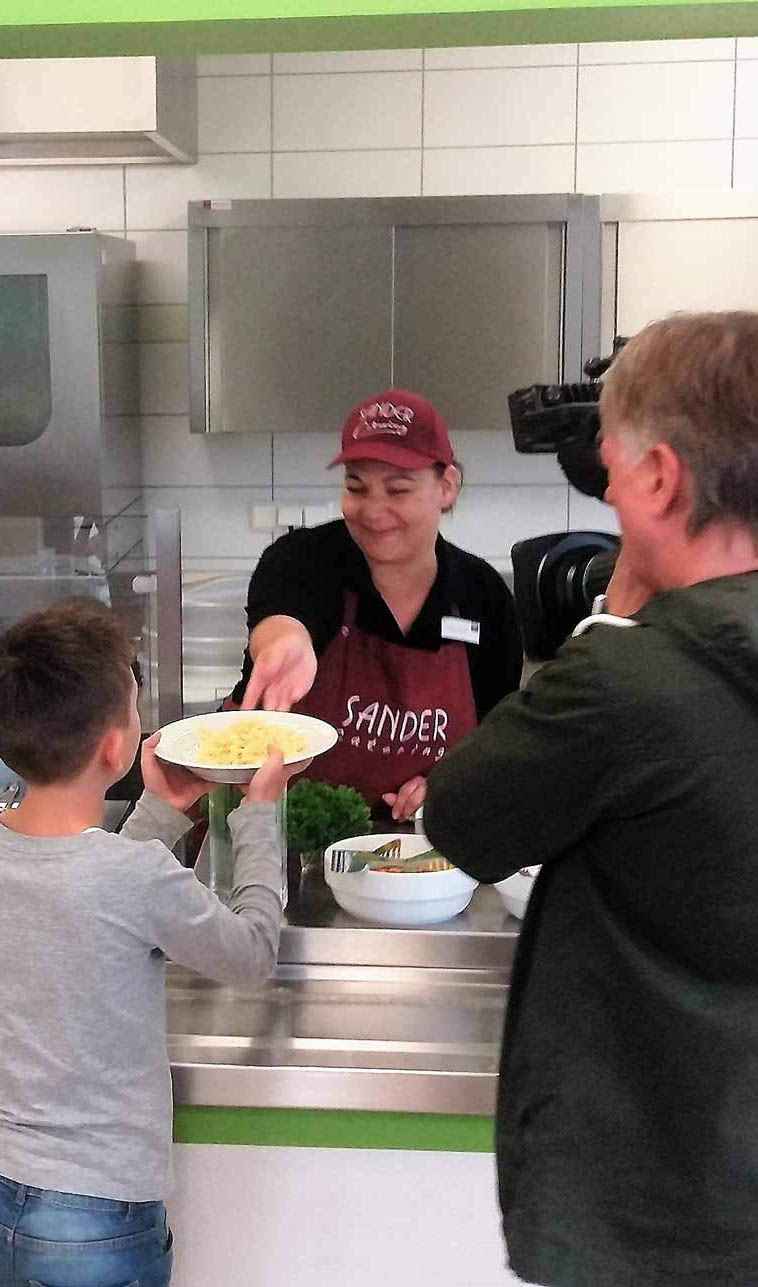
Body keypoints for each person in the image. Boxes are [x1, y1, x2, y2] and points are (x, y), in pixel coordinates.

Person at [424, 312, 758, 1287]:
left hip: (645, 1209)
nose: (602, 488)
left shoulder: (622, 682)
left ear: (656, 478)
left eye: (609, 465)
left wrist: (613, 618)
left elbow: (462, 817)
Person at [0, 597, 303, 1287]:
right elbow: (253, 951)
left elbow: (87, 892)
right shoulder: (134, 878)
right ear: (115, 746)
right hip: (103, 1215)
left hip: (7, 1192)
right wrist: (260, 814)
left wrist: (162, 808)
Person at [229, 388, 522, 820]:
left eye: (398, 490)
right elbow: (285, 613)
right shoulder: (304, 558)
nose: (372, 509)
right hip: (276, 838)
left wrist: (452, 780)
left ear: (447, 487)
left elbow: (496, 734)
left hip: (416, 857)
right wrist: (285, 643)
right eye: (356, 487)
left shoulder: (482, 595)